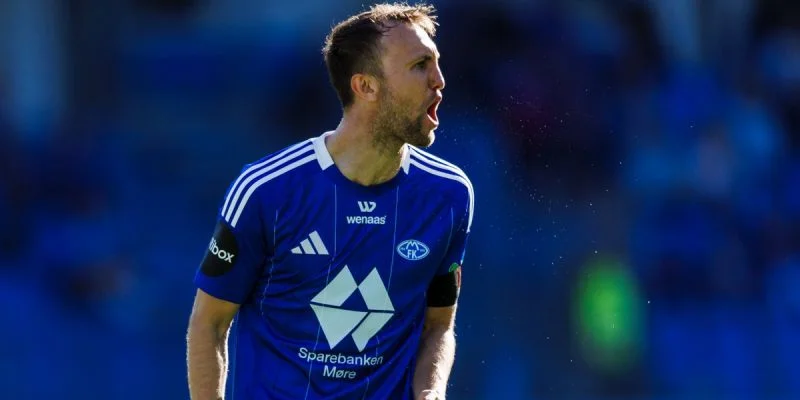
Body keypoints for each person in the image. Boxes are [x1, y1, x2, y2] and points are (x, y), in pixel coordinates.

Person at [186, 3, 473, 399]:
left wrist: (431, 392)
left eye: (437, 63)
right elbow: (209, 324)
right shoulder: (266, 190)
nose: (439, 80)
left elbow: (438, 324)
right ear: (366, 86)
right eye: (420, 65)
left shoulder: (449, 195)